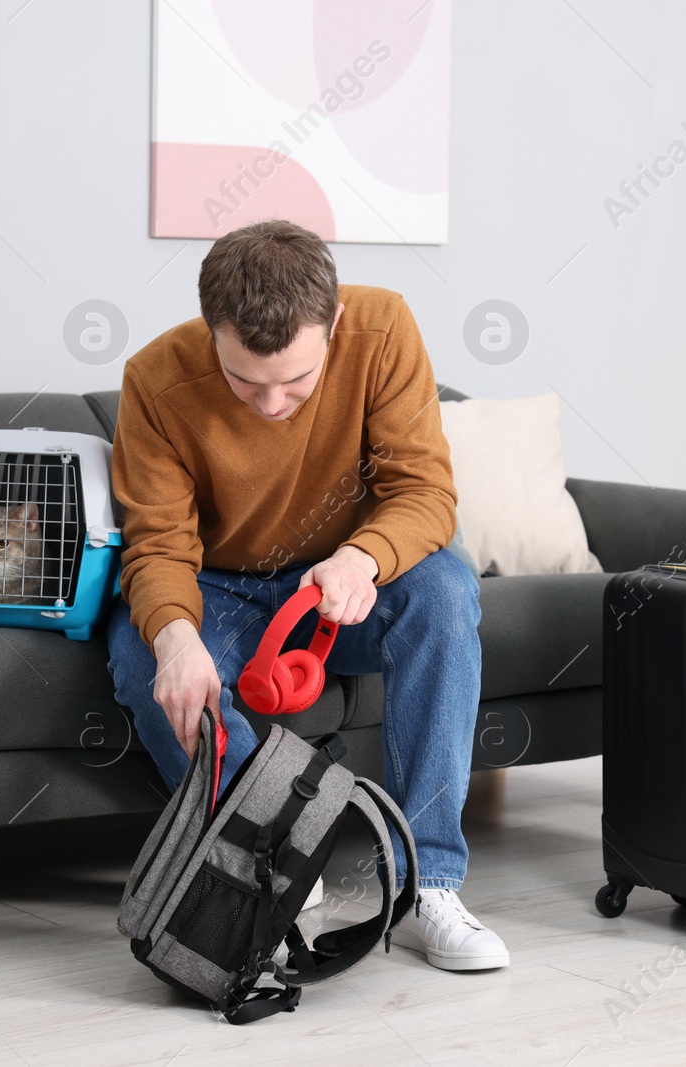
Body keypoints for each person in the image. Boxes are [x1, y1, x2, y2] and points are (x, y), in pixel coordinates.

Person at [105, 219, 508, 971]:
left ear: (335, 326)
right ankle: (281, 860)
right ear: (210, 332)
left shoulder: (382, 327)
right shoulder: (155, 379)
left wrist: (362, 557)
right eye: (245, 381)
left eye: (296, 379)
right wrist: (173, 634)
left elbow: (423, 492)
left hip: (341, 580)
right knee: (139, 652)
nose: (272, 403)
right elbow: (157, 545)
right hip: (219, 586)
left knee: (447, 591)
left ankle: (430, 887)